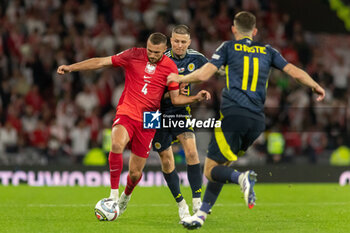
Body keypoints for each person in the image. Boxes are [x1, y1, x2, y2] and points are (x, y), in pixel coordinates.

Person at [167, 11, 325, 229]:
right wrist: (314, 85)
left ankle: (242, 179)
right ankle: (201, 214)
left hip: (234, 116)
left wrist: (180, 77)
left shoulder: (228, 47)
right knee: (224, 165)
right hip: (257, 121)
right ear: (255, 31)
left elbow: (204, 75)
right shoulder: (268, 50)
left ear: (234, 29)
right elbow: (295, 72)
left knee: (210, 170)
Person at [57, 32, 211, 217]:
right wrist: (71, 68)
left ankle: (126, 195)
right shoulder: (133, 54)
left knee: (136, 174)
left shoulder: (170, 67)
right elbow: (101, 61)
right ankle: (113, 196)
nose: (152, 55)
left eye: (156, 52)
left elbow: (176, 99)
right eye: (150, 51)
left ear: (164, 50)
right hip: (127, 111)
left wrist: (195, 97)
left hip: (150, 119)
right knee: (116, 143)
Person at [152, 25, 208, 220]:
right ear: (170, 40)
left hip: (180, 111)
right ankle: (180, 204)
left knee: (192, 151)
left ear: (189, 42)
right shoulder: (160, 58)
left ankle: (197, 201)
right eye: (176, 41)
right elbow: (150, 93)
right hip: (155, 114)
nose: (179, 45)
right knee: (167, 161)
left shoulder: (197, 58)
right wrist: (172, 94)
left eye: (183, 42)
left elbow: (214, 70)